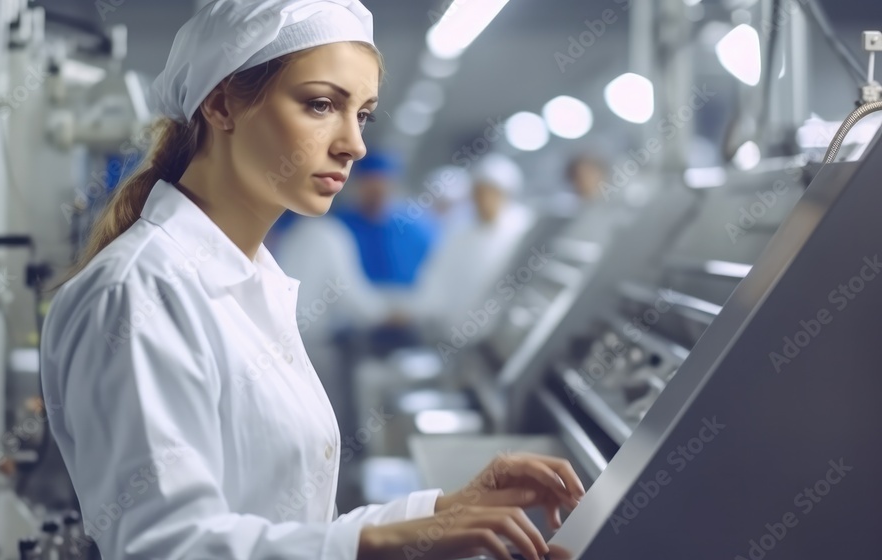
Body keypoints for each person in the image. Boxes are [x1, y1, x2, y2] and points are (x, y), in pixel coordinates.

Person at [39, 2, 581, 559]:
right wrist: (390, 542)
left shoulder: (250, 282)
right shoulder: (139, 294)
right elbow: (169, 547)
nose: (354, 144)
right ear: (221, 103)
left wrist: (444, 511)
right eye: (321, 104)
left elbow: (285, 520)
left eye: (363, 114)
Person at [408, 153, 537, 338]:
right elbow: (437, 275)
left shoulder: (522, 228)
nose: (484, 199)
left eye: (492, 192)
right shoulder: (459, 230)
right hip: (451, 331)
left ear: (506, 194)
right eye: (479, 192)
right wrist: (423, 309)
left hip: (501, 333)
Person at [336, 151, 437, 289]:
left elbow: (432, 274)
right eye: (371, 183)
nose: (378, 190)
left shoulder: (415, 230)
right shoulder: (338, 229)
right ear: (357, 184)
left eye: (384, 183)